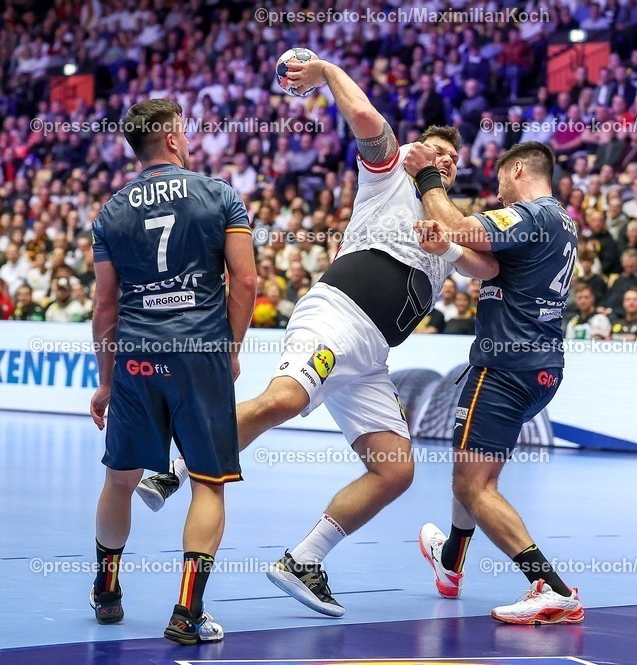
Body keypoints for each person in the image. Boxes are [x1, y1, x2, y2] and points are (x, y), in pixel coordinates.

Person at [134, 58, 499, 618]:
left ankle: (304, 559)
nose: (445, 160)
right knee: (285, 398)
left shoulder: (444, 214)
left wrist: (445, 238)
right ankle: (172, 463)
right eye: (436, 151)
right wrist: (328, 70)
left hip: (371, 357)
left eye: (454, 158)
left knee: (396, 467)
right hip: (338, 315)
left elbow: (484, 267)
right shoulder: (393, 171)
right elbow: (365, 116)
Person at [88, 98, 257, 643]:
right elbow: (246, 282)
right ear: (174, 139)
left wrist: (107, 382)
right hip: (199, 354)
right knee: (208, 483)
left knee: (119, 479)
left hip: (137, 356)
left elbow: (105, 308)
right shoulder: (220, 195)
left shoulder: (110, 212)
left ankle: (107, 590)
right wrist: (229, 348)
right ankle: (186, 613)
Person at [402, 140, 584, 624]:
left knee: (474, 483)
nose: (498, 193)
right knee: (474, 469)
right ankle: (451, 562)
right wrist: (451, 249)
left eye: (501, 180)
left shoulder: (533, 213)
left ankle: (552, 588)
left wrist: (428, 179)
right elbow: (490, 265)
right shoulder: (562, 222)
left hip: (503, 368)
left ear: (518, 169)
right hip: (542, 366)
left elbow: (460, 225)